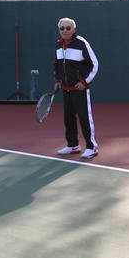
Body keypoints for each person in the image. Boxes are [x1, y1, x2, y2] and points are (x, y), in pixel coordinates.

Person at [54, 17, 100, 159]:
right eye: (62, 28)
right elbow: (57, 64)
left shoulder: (82, 43)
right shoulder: (58, 45)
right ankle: (73, 145)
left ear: (74, 29)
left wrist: (84, 82)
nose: (65, 31)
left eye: (68, 28)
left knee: (84, 118)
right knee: (68, 118)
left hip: (80, 90)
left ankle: (91, 147)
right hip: (66, 89)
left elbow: (94, 64)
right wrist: (58, 80)